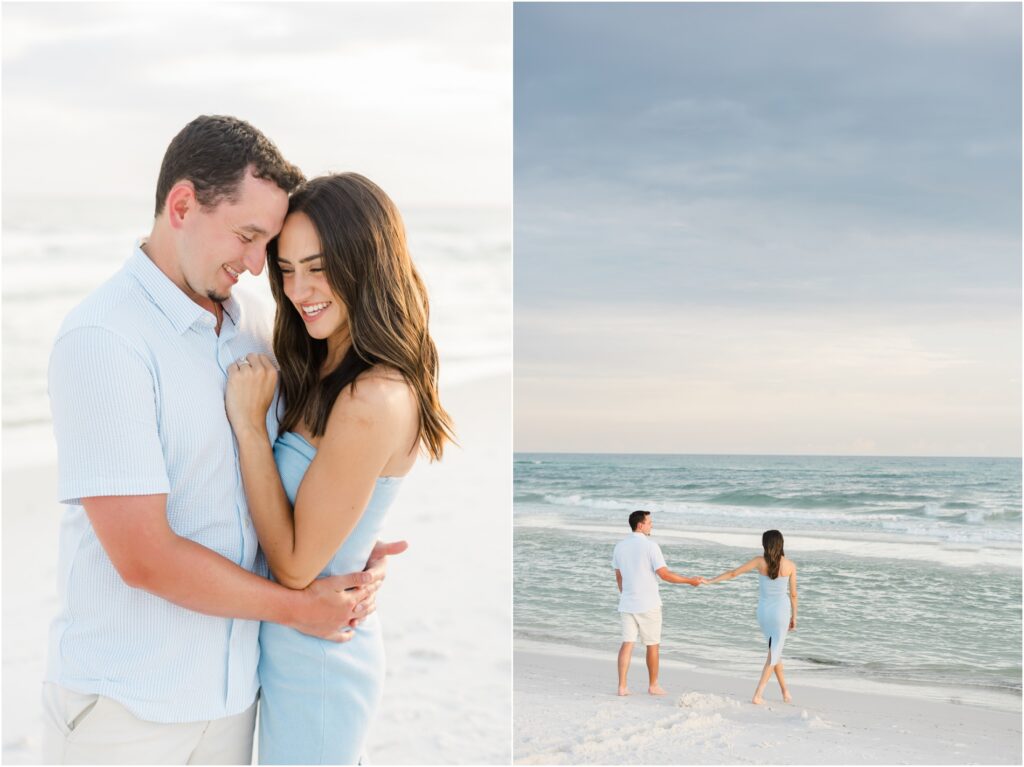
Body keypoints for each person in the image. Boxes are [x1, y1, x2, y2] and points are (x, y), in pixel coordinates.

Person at [44, 115, 404, 765]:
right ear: (181, 205)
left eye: (269, 243)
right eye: (248, 236)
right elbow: (143, 556)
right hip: (128, 713)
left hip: (238, 703)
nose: (259, 265)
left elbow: (272, 483)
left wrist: (343, 538)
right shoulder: (105, 340)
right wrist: (301, 607)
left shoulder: (252, 325)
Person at [224, 172, 454, 764]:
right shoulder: (326, 367)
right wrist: (361, 552)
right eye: (287, 268)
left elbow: (298, 566)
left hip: (319, 663)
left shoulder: (372, 397)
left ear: (366, 261)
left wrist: (251, 429)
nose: (300, 289)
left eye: (319, 267)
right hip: (290, 644)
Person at [612, 510, 705, 696]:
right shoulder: (651, 546)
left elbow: (619, 577)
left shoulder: (619, 547)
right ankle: (653, 685)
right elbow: (664, 575)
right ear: (640, 525)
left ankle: (622, 687)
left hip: (627, 603)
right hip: (648, 603)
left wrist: (627, 595)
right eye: (649, 522)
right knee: (652, 644)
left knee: (627, 643)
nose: (651, 525)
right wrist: (690, 581)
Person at [707, 529, 798, 704]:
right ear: (781, 544)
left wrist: (710, 581)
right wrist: (795, 616)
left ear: (765, 544)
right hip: (781, 612)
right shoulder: (790, 565)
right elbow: (793, 594)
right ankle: (758, 694)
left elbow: (733, 573)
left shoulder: (759, 561)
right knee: (774, 653)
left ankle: (785, 691)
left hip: (764, 612)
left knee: (775, 651)